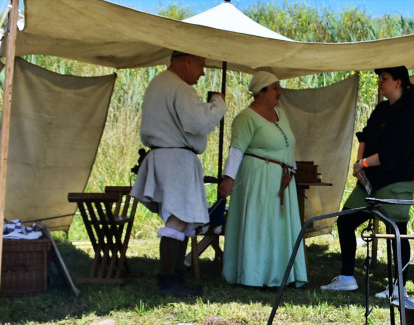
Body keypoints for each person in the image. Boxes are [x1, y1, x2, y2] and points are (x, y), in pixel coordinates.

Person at [131, 51, 226, 297]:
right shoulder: (179, 88)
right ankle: (168, 281)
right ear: (188, 60)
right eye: (202, 65)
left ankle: (176, 277)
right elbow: (199, 123)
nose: (203, 72)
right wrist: (218, 104)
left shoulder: (159, 83)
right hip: (175, 160)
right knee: (178, 219)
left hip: (168, 156)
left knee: (181, 220)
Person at [321, 66, 414, 297]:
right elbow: (365, 136)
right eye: (379, 79)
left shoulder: (409, 113)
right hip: (371, 181)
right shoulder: (382, 109)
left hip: (396, 180)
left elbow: (393, 154)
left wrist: (364, 164)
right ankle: (347, 277)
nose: (380, 82)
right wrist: (359, 165)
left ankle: (399, 287)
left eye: (384, 79)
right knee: (346, 222)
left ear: (398, 82)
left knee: (396, 231)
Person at [218, 71, 307, 289]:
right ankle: (254, 275)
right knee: (260, 225)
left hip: (282, 178)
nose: (280, 92)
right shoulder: (246, 117)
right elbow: (237, 150)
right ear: (261, 91)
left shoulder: (280, 114)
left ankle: (279, 274)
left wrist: (292, 172)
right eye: (275, 88)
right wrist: (228, 178)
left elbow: (288, 145)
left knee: (278, 226)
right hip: (258, 178)